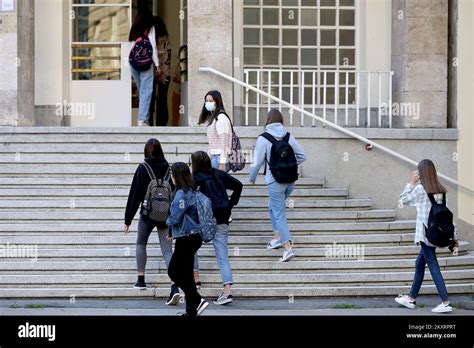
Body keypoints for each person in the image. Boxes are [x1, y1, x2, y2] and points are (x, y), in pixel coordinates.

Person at [395, 159, 458, 313]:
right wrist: (453, 236)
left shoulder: (420, 189)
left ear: (421, 173)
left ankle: (445, 302)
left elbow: (402, 200)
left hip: (425, 234)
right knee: (419, 263)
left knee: (432, 263)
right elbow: (447, 216)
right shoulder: (442, 191)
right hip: (437, 234)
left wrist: (411, 182)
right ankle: (411, 299)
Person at [123, 138, 181, 306]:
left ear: (146, 151)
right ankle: (174, 285)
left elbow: (135, 195)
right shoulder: (169, 170)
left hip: (147, 215)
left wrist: (128, 219)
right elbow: (175, 194)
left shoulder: (143, 168)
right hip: (165, 216)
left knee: (141, 243)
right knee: (168, 252)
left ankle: (140, 280)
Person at [248, 109, 306, 262]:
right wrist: (289, 165)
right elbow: (302, 156)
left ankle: (288, 248)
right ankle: (278, 238)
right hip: (290, 181)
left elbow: (257, 162)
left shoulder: (263, 138)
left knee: (279, 213)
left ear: (267, 120)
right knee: (273, 207)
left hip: (275, 181)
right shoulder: (289, 136)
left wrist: (252, 178)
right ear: (281, 120)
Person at [191, 151, 243, 305]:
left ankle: (196, 280)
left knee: (191, 248)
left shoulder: (195, 179)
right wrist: (231, 203)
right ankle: (227, 291)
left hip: (203, 220)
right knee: (222, 256)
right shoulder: (219, 174)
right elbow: (238, 185)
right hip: (222, 217)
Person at [166, 162, 209, 316]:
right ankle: (191, 310)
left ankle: (197, 300)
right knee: (186, 274)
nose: (171, 176)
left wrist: (169, 223)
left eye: (172, 173)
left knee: (174, 272)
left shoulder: (181, 193)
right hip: (194, 236)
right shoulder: (192, 190)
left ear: (177, 175)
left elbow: (176, 214)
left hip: (186, 238)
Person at [128, 7, 159, 127]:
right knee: (146, 91)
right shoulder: (150, 29)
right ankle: (142, 120)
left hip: (134, 63)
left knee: (142, 91)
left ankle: (143, 117)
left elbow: (132, 46)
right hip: (146, 63)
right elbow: (153, 47)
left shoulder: (134, 29)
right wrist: (157, 64)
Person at [198, 90, 233, 173]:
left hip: (219, 158)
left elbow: (224, 140)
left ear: (217, 102)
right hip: (215, 157)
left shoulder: (221, 118)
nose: (208, 103)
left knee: (217, 184)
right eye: (206, 101)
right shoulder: (214, 118)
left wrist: (222, 162)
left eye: (211, 101)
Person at [148, 15, 171, 127]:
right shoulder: (166, 38)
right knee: (162, 100)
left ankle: (150, 123)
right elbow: (168, 57)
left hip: (152, 72)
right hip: (166, 74)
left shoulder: (152, 39)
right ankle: (162, 123)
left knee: (150, 99)